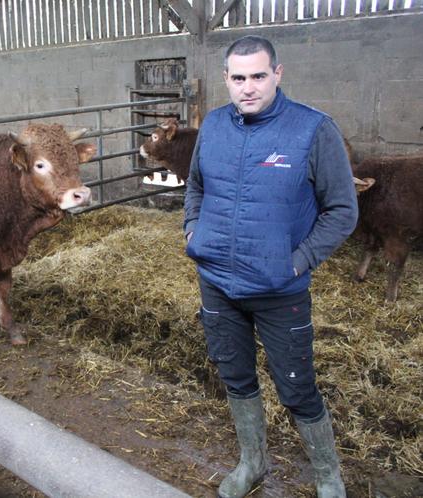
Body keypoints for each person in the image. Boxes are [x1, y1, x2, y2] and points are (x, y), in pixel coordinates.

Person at [183, 35, 357, 498]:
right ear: (226, 79)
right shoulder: (214, 126)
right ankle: (253, 463)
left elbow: (343, 210)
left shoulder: (313, 130)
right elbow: (196, 187)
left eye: (259, 75)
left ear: (278, 74)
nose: (248, 87)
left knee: (298, 387)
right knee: (235, 377)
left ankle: (327, 477)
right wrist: (193, 232)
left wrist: (297, 262)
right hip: (217, 282)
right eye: (238, 78)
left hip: (280, 289)